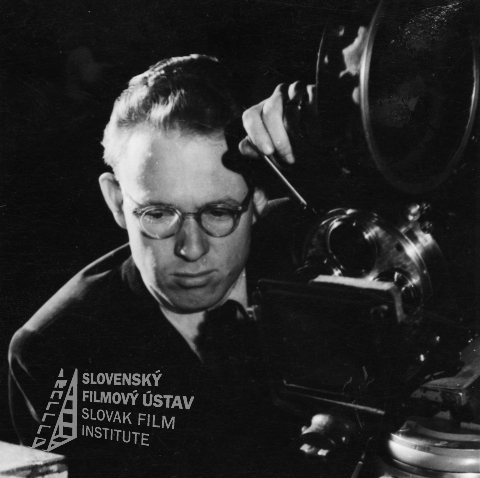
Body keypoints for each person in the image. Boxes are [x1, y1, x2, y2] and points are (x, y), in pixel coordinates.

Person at [8, 54, 318, 477]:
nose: (191, 249)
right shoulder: (56, 349)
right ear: (117, 201)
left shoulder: (325, 251)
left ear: (259, 202)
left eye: (219, 212)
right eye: (157, 214)